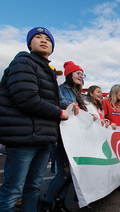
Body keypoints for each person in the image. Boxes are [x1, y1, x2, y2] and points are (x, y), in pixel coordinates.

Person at [0, 27, 69, 212]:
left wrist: (67, 109)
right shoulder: (23, 62)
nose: (43, 40)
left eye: (48, 38)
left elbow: (46, 101)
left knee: (33, 188)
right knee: (13, 191)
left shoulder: (48, 71)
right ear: (30, 43)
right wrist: (60, 113)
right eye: (37, 37)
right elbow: (27, 100)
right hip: (23, 138)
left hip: (44, 138)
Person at [40, 61, 86, 212]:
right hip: (62, 137)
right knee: (63, 172)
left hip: (74, 137)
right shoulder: (60, 90)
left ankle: (60, 204)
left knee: (70, 174)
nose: (81, 76)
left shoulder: (77, 93)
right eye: (78, 73)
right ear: (69, 75)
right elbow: (58, 105)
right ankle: (47, 204)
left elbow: (83, 113)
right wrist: (69, 106)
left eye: (82, 74)